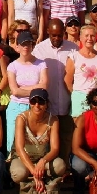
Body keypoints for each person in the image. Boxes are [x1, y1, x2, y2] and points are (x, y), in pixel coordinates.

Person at [10, 88, 67, 194]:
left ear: (47, 104)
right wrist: (35, 173)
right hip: (23, 158)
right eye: (33, 101)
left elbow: (55, 149)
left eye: (41, 102)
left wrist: (42, 161)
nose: (37, 105)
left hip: (42, 158)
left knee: (60, 166)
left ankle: (48, 183)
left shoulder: (53, 120)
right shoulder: (21, 118)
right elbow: (19, 148)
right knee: (19, 173)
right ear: (29, 103)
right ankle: (29, 185)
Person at [32, 19, 77, 159]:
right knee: (47, 139)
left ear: (64, 32)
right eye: (53, 35)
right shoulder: (39, 50)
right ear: (48, 32)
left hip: (66, 100)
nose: (57, 38)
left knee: (66, 137)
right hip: (48, 102)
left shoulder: (73, 48)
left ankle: (64, 169)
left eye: (59, 35)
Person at [5, 30, 48, 153]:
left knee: (33, 141)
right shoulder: (12, 66)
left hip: (35, 106)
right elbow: (14, 91)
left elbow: (44, 86)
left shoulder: (41, 64)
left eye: (28, 44)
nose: (26, 47)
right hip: (16, 106)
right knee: (13, 140)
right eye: (23, 44)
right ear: (17, 46)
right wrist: (36, 87)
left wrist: (21, 89)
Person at [65, 25, 97, 119]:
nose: (89, 38)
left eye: (92, 36)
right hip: (79, 100)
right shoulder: (73, 57)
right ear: (80, 38)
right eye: (86, 35)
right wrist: (77, 95)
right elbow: (68, 81)